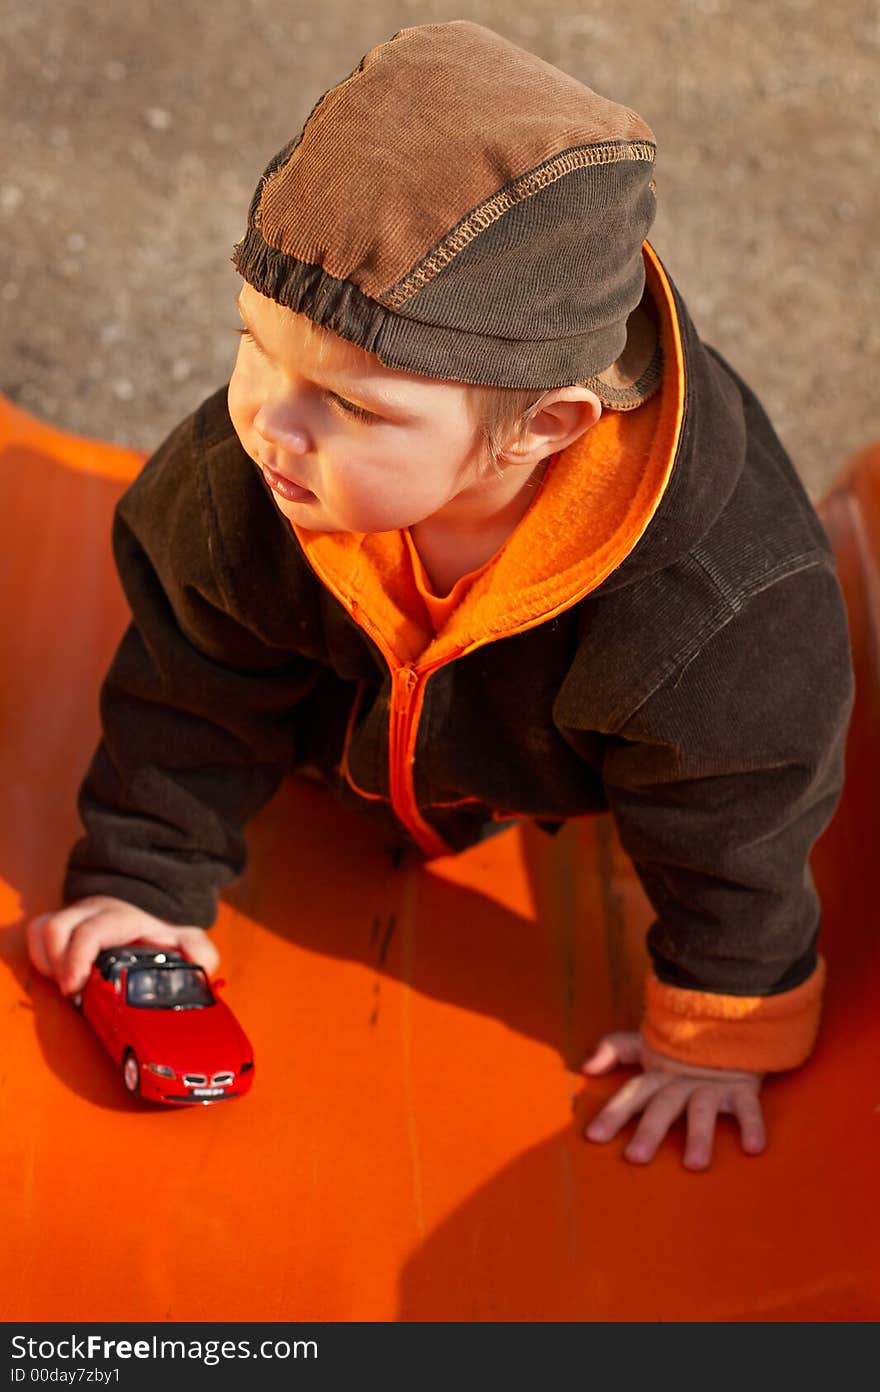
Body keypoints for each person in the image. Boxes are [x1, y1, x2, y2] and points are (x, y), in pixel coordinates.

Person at [25, 21, 854, 1169]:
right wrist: (142, 885)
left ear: (550, 424)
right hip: (346, 729)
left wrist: (720, 1028)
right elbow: (187, 686)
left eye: (351, 405)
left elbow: (742, 817)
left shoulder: (716, 612)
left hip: (549, 761)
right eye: (253, 345)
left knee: (716, 773)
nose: (270, 415)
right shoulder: (253, 478)